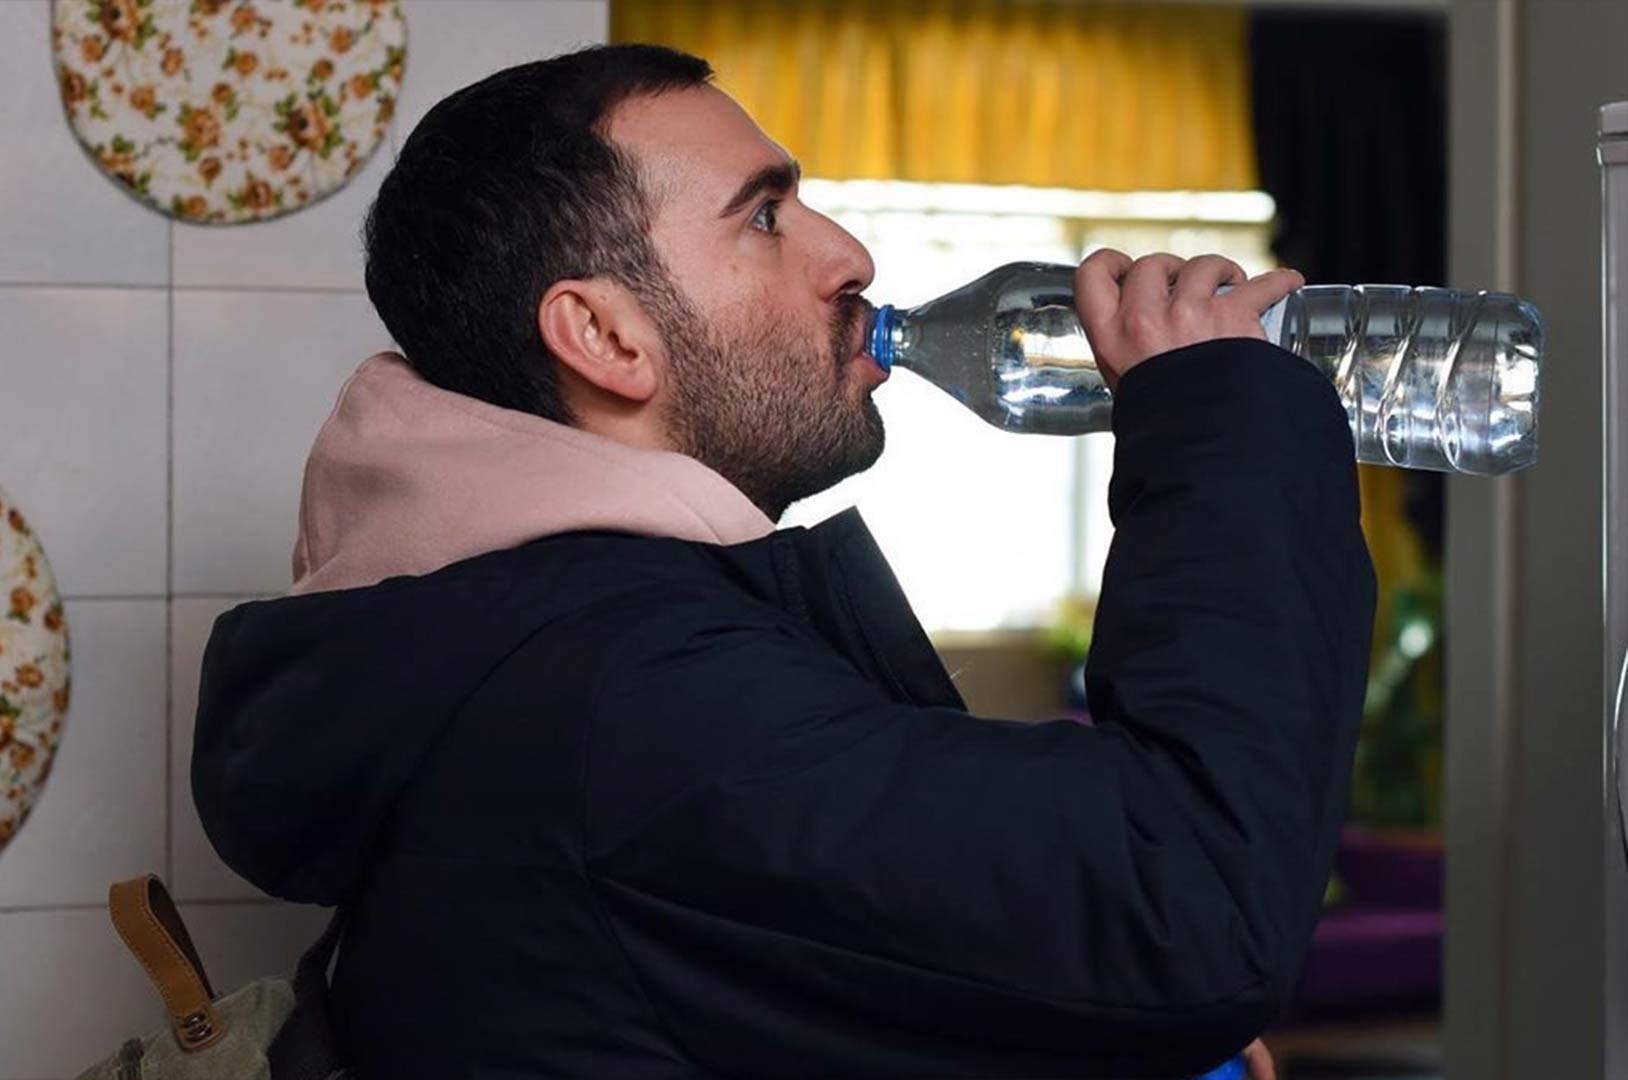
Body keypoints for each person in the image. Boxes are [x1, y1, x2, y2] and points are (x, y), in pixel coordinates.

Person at [191, 44, 1374, 1080]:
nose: (849, 254)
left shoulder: (530, 649)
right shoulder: (629, 702)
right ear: (604, 336)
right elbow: (1186, 904)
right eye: (762, 215)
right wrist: (1223, 421)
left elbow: (766, 1001)